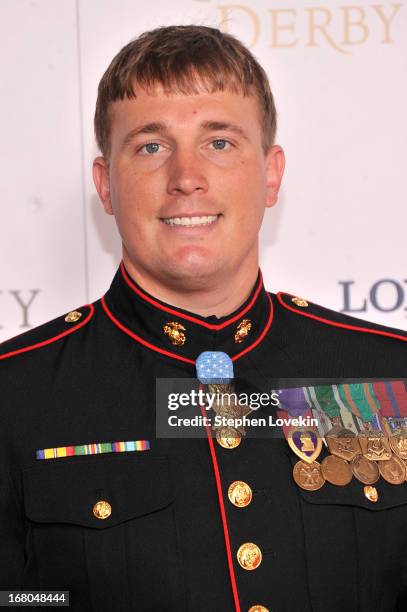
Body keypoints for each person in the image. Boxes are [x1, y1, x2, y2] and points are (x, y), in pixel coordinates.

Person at [1, 25, 406, 612]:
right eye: (150, 146)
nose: (186, 177)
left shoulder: (386, 374)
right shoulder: (16, 393)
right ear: (105, 185)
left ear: (271, 173)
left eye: (219, 143)